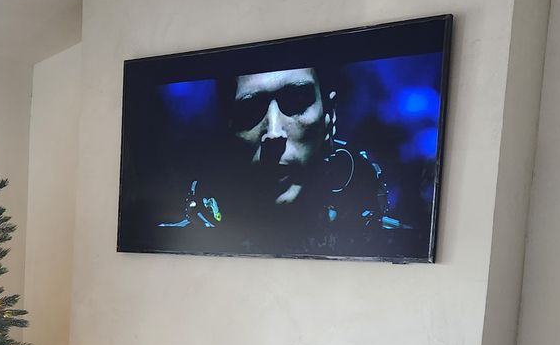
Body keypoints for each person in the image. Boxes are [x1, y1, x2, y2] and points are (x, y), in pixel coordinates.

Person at [159, 66, 409, 256]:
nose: (274, 133)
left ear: (329, 115)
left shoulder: (395, 243)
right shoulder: (171, 242)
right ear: (227, 128)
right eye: (250, 110)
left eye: (296, 102)